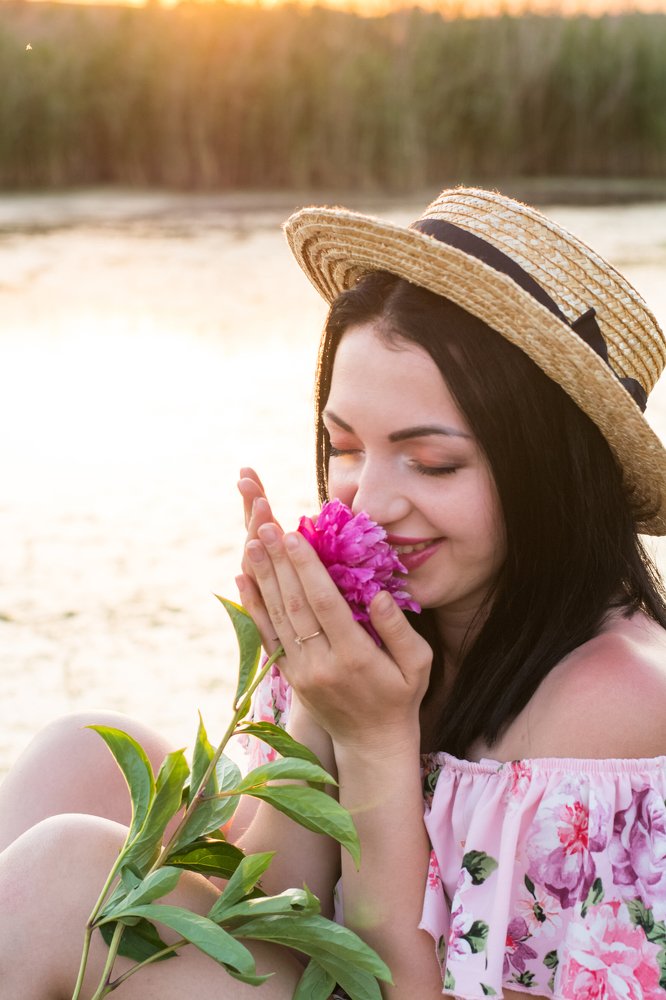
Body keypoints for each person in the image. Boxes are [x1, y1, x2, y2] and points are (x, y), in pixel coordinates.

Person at [1, 186, 665, 1000]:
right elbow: (275, 903)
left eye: (432, 462)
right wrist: (314, 695)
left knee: (62, 879)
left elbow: (403, 983)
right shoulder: (421, 611)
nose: (368, 502)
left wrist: (378, 740)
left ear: (550, 476)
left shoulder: (614, 704)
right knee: (82, 757)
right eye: (345, 446)